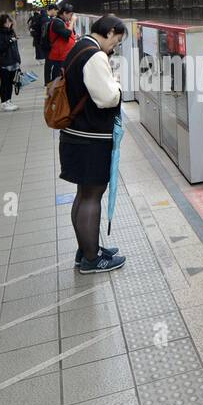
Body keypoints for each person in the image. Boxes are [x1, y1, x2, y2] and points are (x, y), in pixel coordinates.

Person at [60, 14, 128, 274]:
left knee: (84, 193)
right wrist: (119, 87)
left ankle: (86, 248)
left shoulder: (79, 46)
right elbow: (107, 98)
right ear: (110, 31)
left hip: (76, 135)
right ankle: (92, 258)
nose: (115, 47)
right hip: (89, 138)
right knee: (92, 195)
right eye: (117, 41)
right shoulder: (95, 55)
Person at [0, 13, 22, 111]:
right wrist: (10, 41)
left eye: (10, 21)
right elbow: (0, 48)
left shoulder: (11, 32)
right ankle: (4, 102)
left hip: (13, 61)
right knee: (4, 83)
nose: (9, 23)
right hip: (4, 63)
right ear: (3, 23)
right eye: (7, 22)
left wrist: (18, 60)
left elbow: (15, 48)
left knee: (10, 82)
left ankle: (9, 100)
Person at [45, 2, 76, 84]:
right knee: (58, 79)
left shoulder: (61, 21)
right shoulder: (57, 22)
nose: (71, 17)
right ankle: (54, 94)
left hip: (63, 55)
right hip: (59, 57)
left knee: (62, 79)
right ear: (65, 13)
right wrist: (72, 22)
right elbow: (67, 34)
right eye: (70, 15)